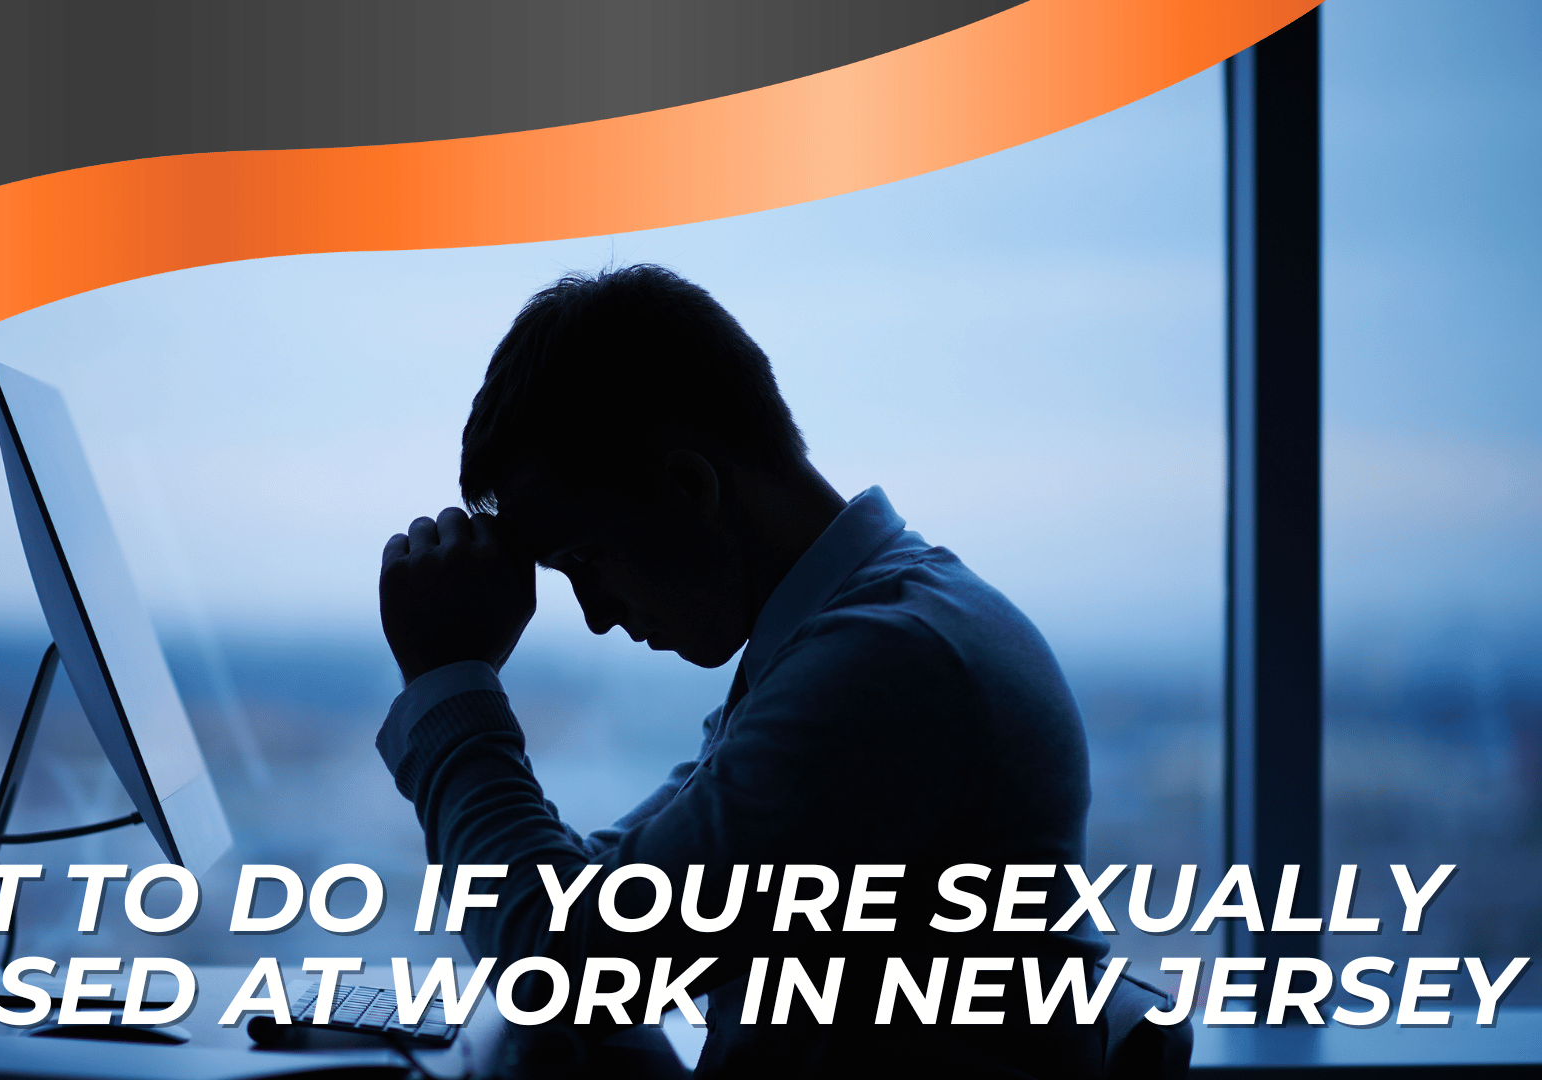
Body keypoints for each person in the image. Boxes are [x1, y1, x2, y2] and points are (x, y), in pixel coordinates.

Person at [375, 265, 1108, 1077]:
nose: (593, 613)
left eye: (586, 558)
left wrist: (448, 680)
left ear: (689, 486)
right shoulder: (872, 632)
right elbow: (605, 914)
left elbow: (565, 966)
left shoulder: (885, 671)